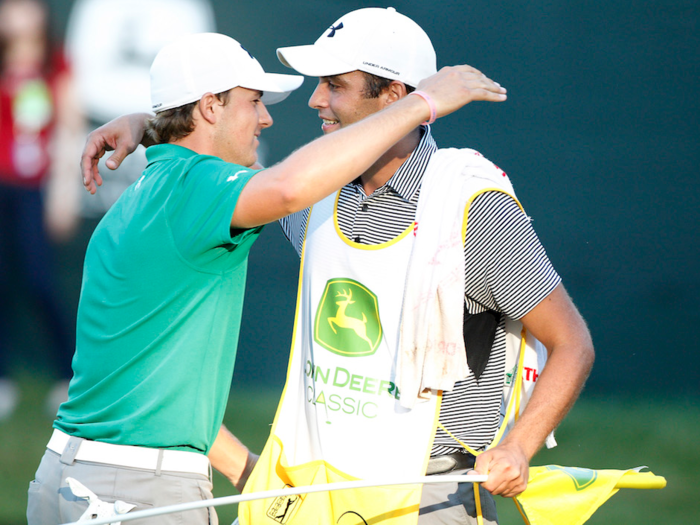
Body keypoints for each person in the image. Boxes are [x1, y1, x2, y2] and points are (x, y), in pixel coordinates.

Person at [28, 30, 507, 525]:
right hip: (137, 494)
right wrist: (422, 103)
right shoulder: (204, 190)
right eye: (253, 101)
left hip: (65, 477)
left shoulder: (148, 195)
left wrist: (150, 126)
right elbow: (290, 187)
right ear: (211, 106)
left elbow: (165, 394)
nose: (266, 118)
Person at [0, 0, 84, 421]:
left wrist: (64, 193)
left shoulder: (55, 65)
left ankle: (67, 375)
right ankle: (4, 379)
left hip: (35, 188)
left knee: (38, 281)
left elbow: (71, 127)